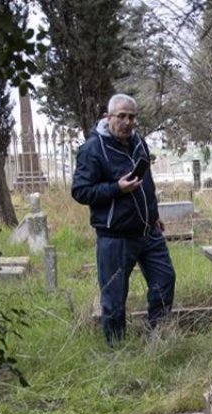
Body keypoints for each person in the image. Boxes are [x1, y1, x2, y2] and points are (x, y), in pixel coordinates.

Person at [72, 94, 176, 345]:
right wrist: (116, 188)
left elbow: (146, 183)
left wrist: (154, 214)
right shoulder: (92, 149)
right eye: (122, 116)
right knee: (114, 299)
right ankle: (116, 351)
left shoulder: (138, 142)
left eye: (132, 117)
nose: (128, 122)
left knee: (165, 280)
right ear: (109, 117)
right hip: (115, 236)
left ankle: (155, 338)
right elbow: (80, 191)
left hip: (148, 231)